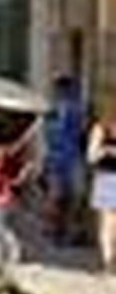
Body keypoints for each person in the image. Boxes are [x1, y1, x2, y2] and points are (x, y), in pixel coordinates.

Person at [45, 76, 87, 245]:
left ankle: (61, 231)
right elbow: (80, 132)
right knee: (70, 196)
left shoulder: (59, 110)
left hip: (63, 158)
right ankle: (63, 230)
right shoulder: (72, 109)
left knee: (62, 197)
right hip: (68, 158)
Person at [86, 100, 116, 273]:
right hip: (106, 178)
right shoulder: (101, 128)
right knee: (106, 223)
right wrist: (105, 151)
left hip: (108, 179)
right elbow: (90, 157)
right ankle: (107, 262)